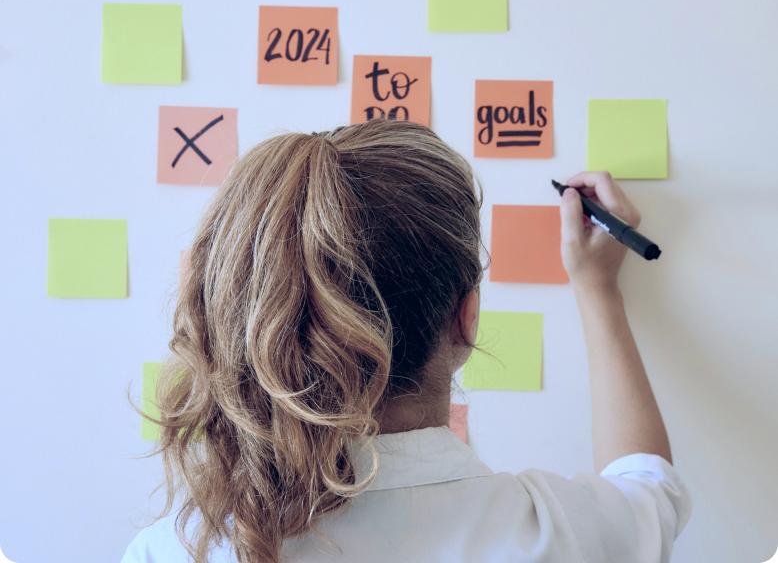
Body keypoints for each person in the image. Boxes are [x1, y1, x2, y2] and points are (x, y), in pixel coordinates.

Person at [122, 119, 691, 563]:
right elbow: (648, 483)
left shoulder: (175, 551)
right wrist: (598, 290)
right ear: (466, 318)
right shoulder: (568, 538)